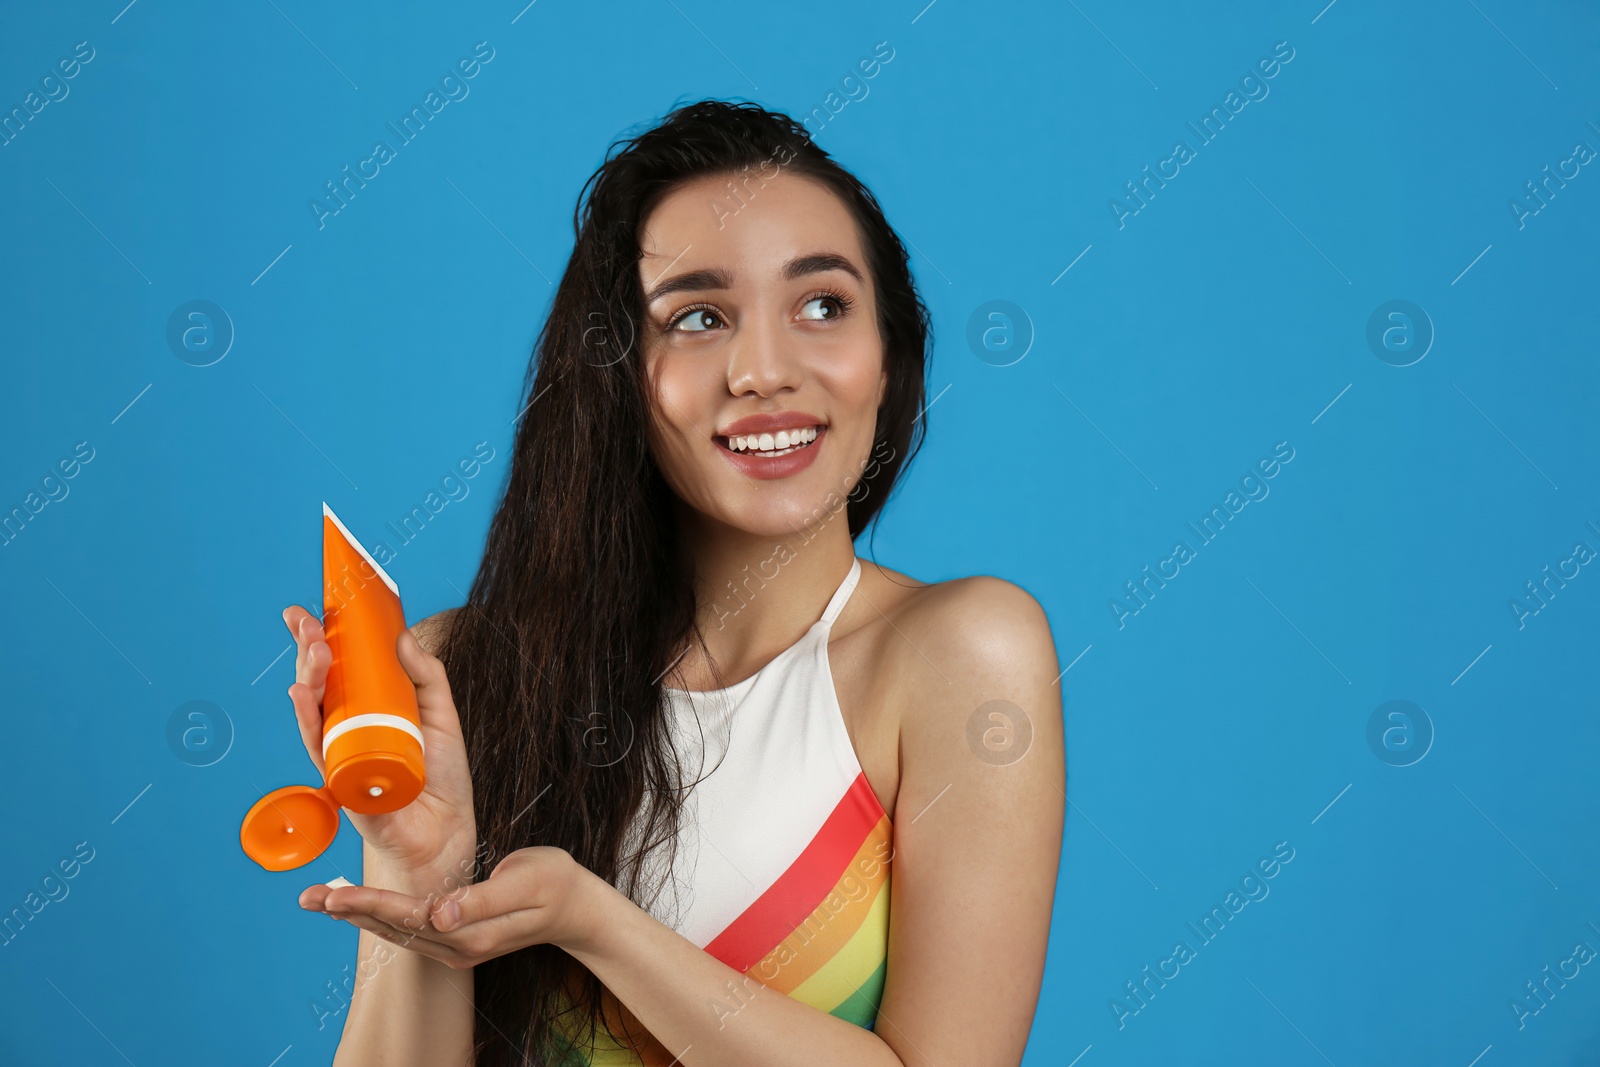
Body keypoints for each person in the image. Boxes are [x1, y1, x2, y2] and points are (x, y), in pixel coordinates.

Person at [283, 99, 1065, 1067]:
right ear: (616, 371)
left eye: (822, 304)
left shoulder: (960, 651)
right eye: (697, 317)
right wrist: (418, 868)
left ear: (889, 351)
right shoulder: (464, 669)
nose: (765, 370)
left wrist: (595, 921)